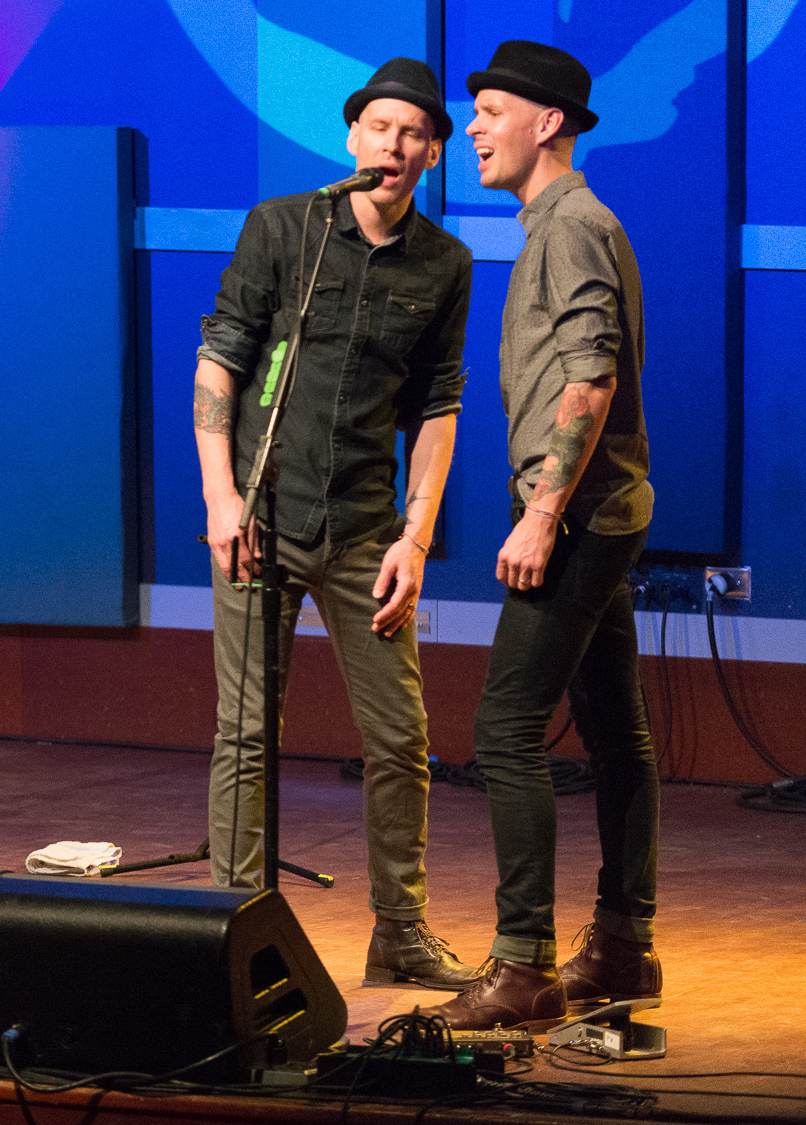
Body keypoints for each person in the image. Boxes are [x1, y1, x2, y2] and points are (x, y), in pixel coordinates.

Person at [194, 58, 478, 990]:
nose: (394, 145)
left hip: (364, 529)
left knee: (399, 736)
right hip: (261, 516)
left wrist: (416, 536)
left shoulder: (445, 264)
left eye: (414, 134)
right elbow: (222, 360)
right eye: (380, 127)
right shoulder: (285, 228)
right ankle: (230, 930)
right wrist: (221, 497)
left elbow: (438, 407)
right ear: (352, 137)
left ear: (433, 154)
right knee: (245, 733)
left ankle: (399, 927)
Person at [423, 41, 658, 1031]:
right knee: (613, 729)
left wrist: (539, 511)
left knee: (503, 728)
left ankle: (521, 964)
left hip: (578, 516)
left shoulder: (567, 225)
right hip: (604, 509)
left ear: (546, 123)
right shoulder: (559, 224)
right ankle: (620, 945)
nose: (468, 127)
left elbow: (589, 376)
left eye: (488, 110)